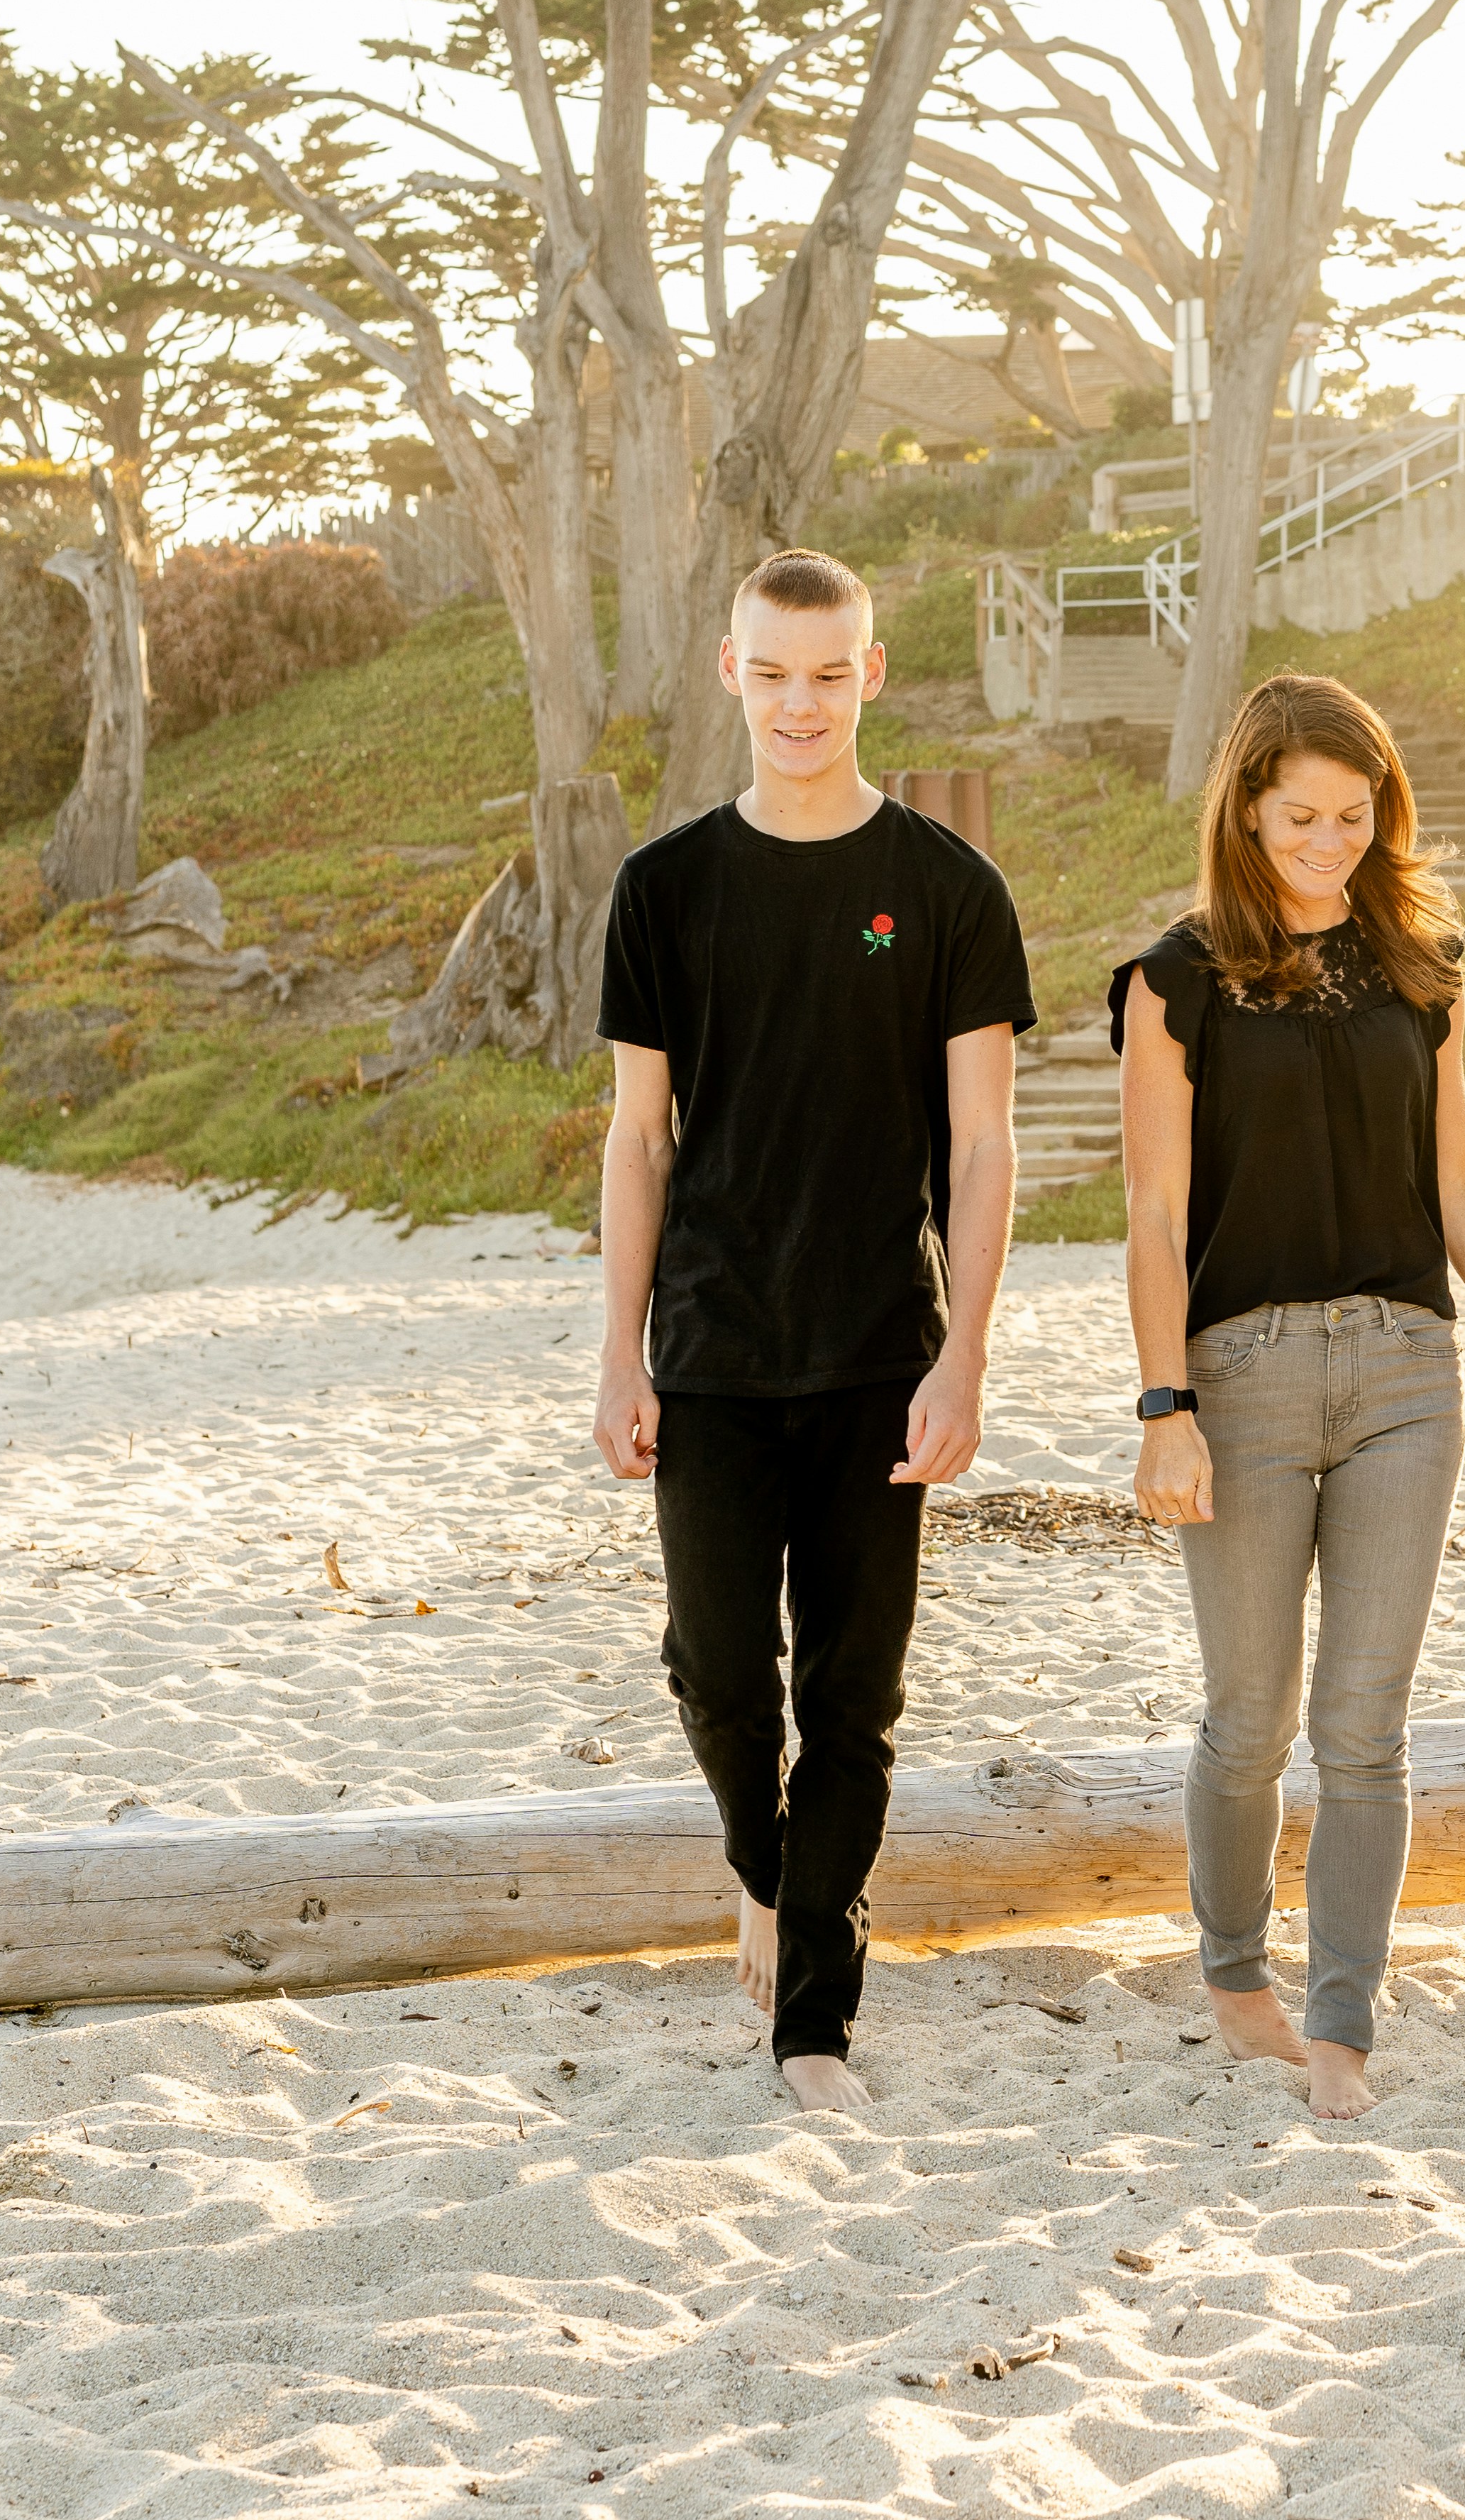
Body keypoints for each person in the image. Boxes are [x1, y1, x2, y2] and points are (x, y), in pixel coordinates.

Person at [589, 546, 1035, 2115]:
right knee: (717, 1675)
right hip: (709, 1351)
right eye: (772, 672)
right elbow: (638, 1139)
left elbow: (981, 1148)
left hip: (877, 1357)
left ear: (871, 671)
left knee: (853, 1695)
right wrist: (614, 1347)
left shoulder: (943, 888)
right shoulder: (663, 892)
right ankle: (767, 1874)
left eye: (828, 672)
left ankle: (814, 2025)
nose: (799, 701)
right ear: (730, 672)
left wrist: (964, 1351)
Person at [1115, 675, 1465, 2122]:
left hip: (1408, 1373)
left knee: (1365, 1719)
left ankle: (1342, 2017)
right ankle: (1237, 1973)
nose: (1330, 841)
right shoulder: (1177, 978)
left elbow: (1459, 1184)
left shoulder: (1422, 963)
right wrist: (1163, 1402)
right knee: (1249, 1713)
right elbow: (1157, 1213)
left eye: (1356, 816)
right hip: (1239, 1379)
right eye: (1301, 815)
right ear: (1246, 807)